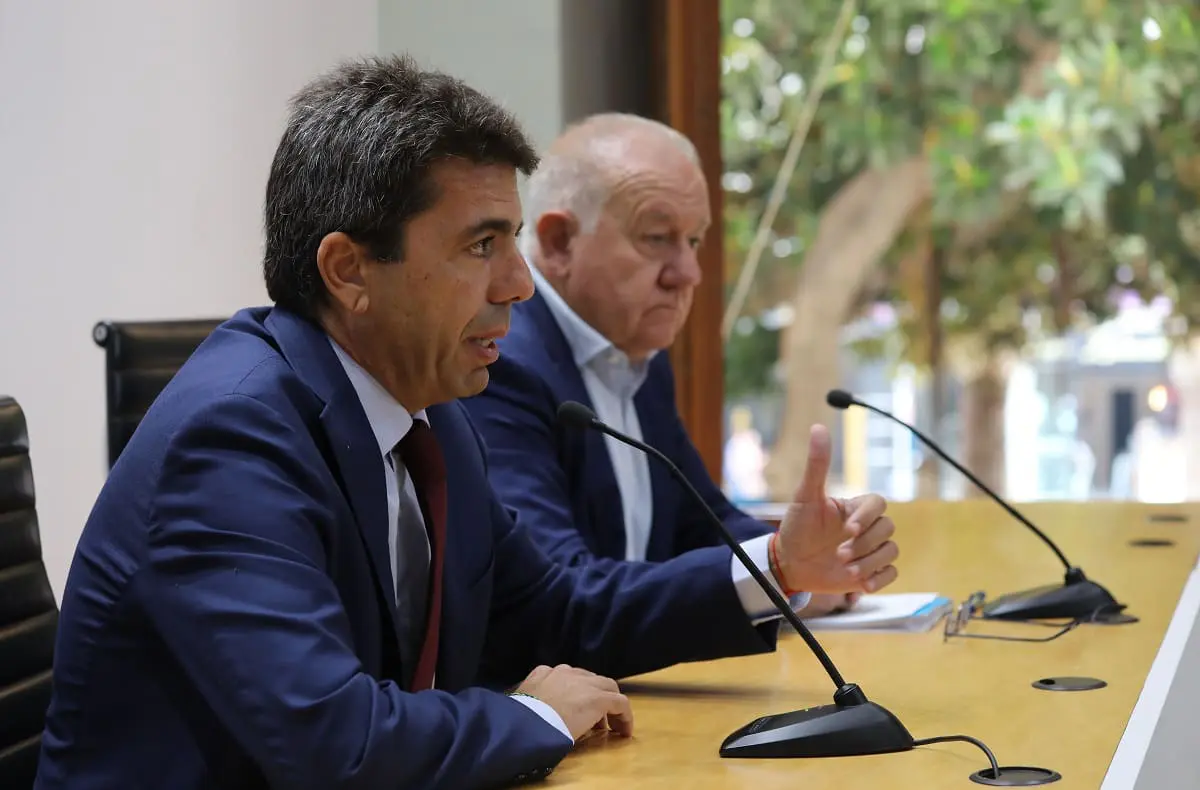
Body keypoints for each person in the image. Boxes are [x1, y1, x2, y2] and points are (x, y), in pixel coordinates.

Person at [34, 59, 898, 790]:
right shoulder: (230, 439)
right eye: (482, 246)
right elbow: (332, 740)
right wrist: (533, 717)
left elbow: (552, 612)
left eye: (515, 241)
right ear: (349, 270)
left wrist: (774, 570)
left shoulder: (430, 412)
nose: (519, 285)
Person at [462, 113, 865, 617]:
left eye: (694, 241)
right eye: (657, 238)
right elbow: (559, 594)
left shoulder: (637, 353)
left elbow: (703, 524)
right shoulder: (500, 366)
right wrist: (778, 574)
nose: (688, 273)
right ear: (560, 241)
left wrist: (818, 558)